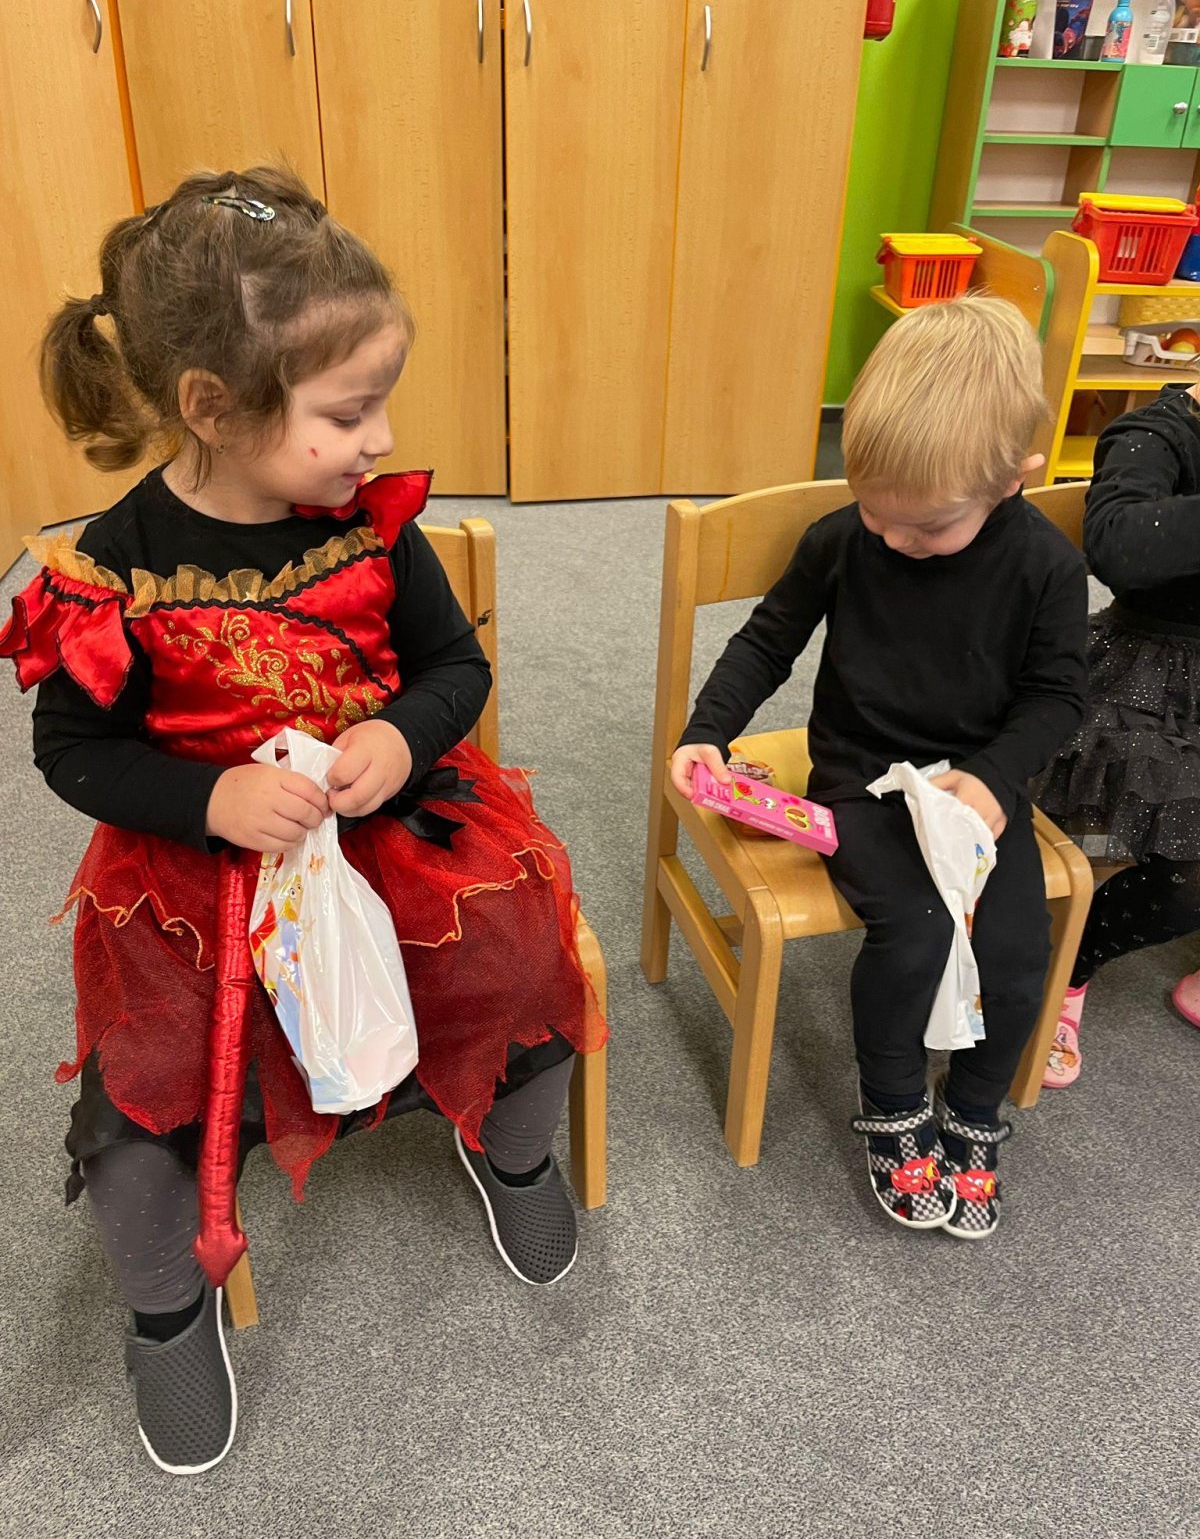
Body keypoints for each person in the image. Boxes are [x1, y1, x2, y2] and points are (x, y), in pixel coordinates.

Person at [0, 167, 605, 1475]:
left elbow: (454, 667)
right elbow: (71, 752)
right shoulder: (112, 570)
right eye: (348, 411)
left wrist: (401, 734)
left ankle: (509, 1156)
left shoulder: (371, 529)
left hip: (389, 834)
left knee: (523, 965)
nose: (381, 439)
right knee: (140, 1097)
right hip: (194, 870)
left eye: (380, 401)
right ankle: (167, 1310)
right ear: (211, 408)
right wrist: (211, 796)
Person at [670, 297, 1087, 1241]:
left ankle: (973, 1108)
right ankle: (895, 1102)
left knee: (1016, 951)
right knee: (917, 933)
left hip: (976, 789)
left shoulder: (1045, 567)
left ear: (1014, 480)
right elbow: (766, 641)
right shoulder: (843, 539)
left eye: (928, 526)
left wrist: (995, 777)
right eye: (875, 512)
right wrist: (708, 729)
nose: (895, 540)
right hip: (860, 775)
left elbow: (1058, 697)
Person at [1037, 383, 1200, 1088]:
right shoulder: (1158, 433)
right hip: (1148, 675)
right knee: (1150, 856)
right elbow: (1119, 546)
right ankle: (1068, 965)